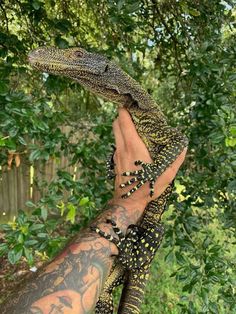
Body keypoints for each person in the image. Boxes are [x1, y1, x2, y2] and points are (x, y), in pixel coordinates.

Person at [2, 108, 187, 313]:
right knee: (106, 291)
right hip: (131, 249)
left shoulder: (152, 128)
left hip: (134, 245)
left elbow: (180, 140)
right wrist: (130, 201)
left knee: (106, 291)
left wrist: (140, 176)